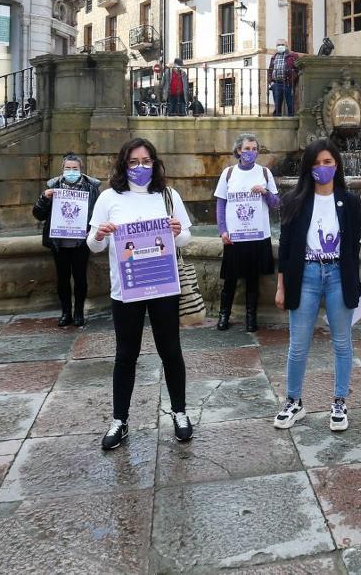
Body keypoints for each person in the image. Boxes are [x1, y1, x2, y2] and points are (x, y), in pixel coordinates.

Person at [88, 137, 194, 450]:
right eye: (134, 162)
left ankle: (180, 412)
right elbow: (93, 246)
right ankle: (119, 420)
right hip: (126, 289)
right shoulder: (109, 197)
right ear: (124, 164)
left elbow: (185, 238)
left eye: (146, 161)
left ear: (155, 163)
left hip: (162, 285)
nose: (140, 167)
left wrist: (177, 233)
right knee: (125, 355)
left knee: (170, 350)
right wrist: (99, 234)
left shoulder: (168, 195)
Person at [273, 140, 361, 432]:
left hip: (338, 274)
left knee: (342, 343)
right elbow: (285, 248)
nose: (322, 168)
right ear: (308, 167)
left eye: (328, 162)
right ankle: (294, 401)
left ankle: (339, 400)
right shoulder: (294, 200)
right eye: (316, 163)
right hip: (306, 275)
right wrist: (281, 286)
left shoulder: (349, 202)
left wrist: (353, 281)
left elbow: (355, 246)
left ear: (337, 165)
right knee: (298, 345)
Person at [215, 133, 279, 331]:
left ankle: (251, 318)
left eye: (254, 149)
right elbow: (220, 204)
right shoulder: (228, 173)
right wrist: (222, 230)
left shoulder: (265, 173)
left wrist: (265, 192)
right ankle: (224, 315)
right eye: (247, 149)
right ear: (238, 151)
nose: (250, 152)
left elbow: (277, 204)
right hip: (235, 235)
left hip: (257, 235)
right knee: (230, 278)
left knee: (253, 278)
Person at [31, 153, 101, 327]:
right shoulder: (53, 187)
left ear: (81, 169)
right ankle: (65, 313)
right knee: (62, 279)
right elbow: (38, 215)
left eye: (75, 168)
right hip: (59, 242)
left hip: (81, 241)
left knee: (80, 278)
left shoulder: (91, 188)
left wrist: (92, 231)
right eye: (68, 168)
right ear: (62, 169)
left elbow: (98, 213)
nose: (71, 171)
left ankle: (78, 312)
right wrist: (44, 199)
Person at [268, 39, 300, 116]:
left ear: (286, 46)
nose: (280, 46)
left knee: (290, 104)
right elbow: (270, 70)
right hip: (276, 84)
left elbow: (298, 69)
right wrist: (271, 82)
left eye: (282, 45)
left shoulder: (293, 56)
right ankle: (277, 123)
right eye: (278, 45)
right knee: (277, 105)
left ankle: (291, 122)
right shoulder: (274, 57)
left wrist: (293, 79)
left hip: (288, 83)